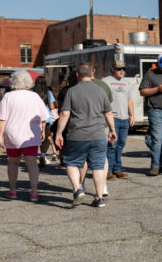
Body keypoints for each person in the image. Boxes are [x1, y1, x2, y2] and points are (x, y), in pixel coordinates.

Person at [54, 64, 117, 208]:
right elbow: (108, 113)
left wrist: (58, 133)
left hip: (77, 135)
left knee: (71, 162)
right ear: (92, 73)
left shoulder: (72, 91)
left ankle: (77, 189)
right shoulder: (101, 90)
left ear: (77, 75)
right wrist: (112, 130)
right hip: (98, 135)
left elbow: (64, 114)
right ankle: (99, 198)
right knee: (98, 166)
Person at [0, 70, 50, 201]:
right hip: (30, 134)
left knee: (13, 162)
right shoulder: (35, 96)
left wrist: (0, 135)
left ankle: (13, 191)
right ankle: (34, 192)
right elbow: (43, 117)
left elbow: (2, 118)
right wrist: (43, 131)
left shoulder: (8, 96)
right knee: (32, 163)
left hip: (12, 134)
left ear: (13, 81)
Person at [102, 60, 135, 180]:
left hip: (124, 118)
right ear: (113, 69)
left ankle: (117, 169)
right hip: (113, 118)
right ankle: (108, 171)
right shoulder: (105, 82)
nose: (122, 71)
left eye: (123, 69)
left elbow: (129, 100)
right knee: (111, 145)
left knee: (120, 145)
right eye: (119, 69)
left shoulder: (126, 83)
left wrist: (132, 115)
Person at [33, 76, 58, 165]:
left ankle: (33, 155)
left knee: (34, 138)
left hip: (34, 118)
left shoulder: (32, 93)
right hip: (46, 119)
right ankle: (43, 154)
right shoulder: (48, 93)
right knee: (46, 138)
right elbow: (52, 107)